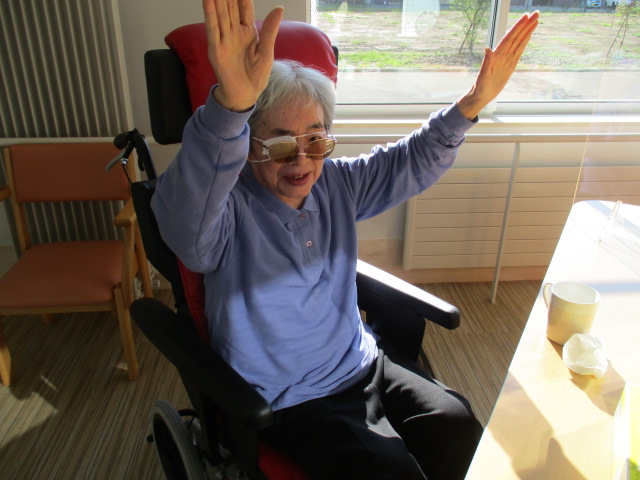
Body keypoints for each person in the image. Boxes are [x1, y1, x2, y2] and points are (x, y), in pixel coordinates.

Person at [152, 1, 539, 478]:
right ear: (248, 145)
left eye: (316, 140)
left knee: (457, 426)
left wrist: (473, 103)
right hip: (292, 399)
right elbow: (185, 226)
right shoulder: (223, 209)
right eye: (280, 144)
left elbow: (407, 161)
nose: (302, 160)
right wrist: (230, 106)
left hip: (360, 362)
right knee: (390, 471)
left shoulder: (335, 183)